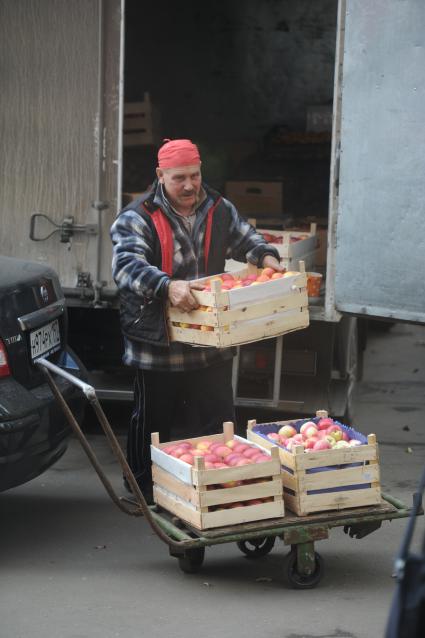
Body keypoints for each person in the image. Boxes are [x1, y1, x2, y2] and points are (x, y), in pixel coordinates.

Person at [110, 139, 283, 502]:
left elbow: (245, 238)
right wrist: (166, 286)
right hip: (159, 338)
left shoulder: (218, 207)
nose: (190, 185)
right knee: (153, 419)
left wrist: (266, 257)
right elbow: (125, 266)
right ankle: (142, 487)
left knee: (218, 417)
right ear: (160, 175)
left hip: (210, 336)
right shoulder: (137, 216)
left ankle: (222, 488)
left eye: (195, 175)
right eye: (179, 178)